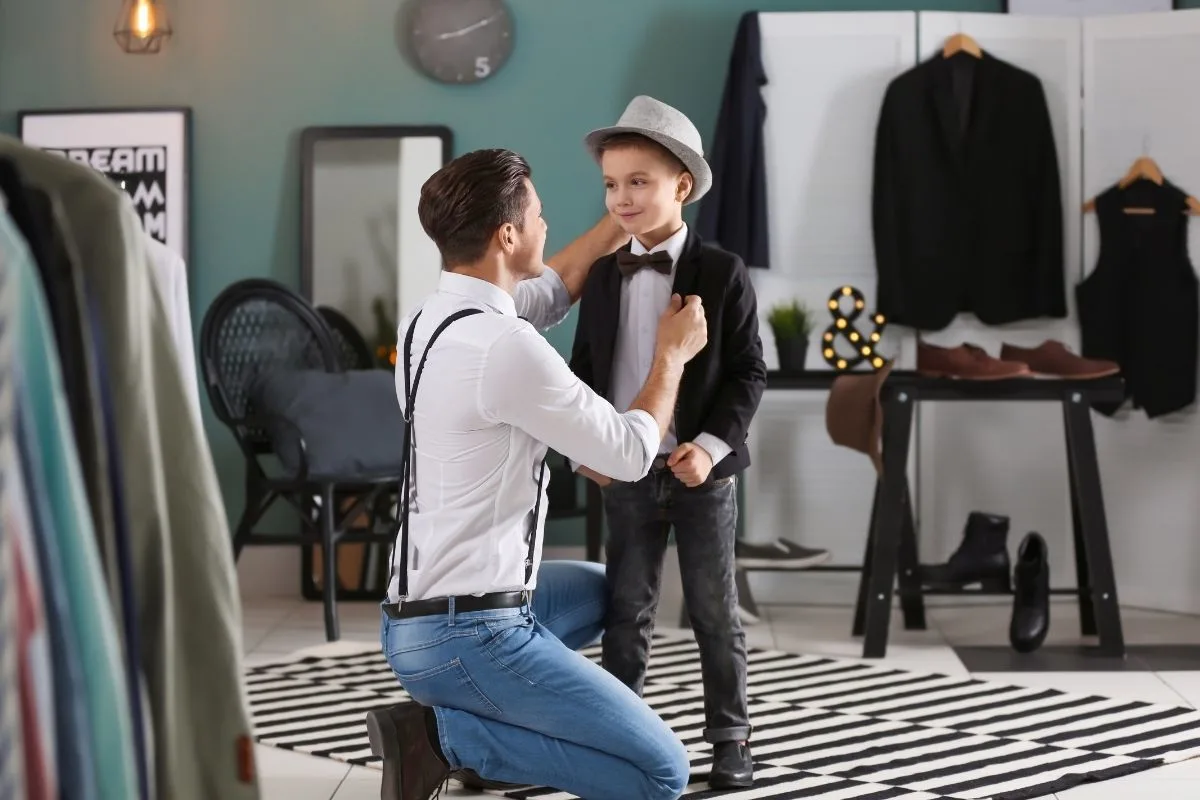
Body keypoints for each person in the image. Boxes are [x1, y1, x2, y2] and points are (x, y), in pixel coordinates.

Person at [365, 147, 710, 800]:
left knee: (618, 590)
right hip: (470, 633)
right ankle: (444, 740)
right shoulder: (506, 348)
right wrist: (671, 357)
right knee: (660, 771)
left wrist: (621, 218)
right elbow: (630, 454)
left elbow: (553, 287)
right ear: (508, 235)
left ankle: (479, 724)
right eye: (540, 215)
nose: (548, 226)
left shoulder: (426, 323)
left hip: (412, 619)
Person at [569, 95, 768, 790]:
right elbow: (583, 374)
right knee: (626, 611)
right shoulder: (600, 277)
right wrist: (581, 449)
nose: (621, 197)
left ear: (682, 185)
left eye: (638, 182)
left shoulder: (722, 272)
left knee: (715, 609)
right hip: (624, 469)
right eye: (611, 184)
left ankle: (731, 737)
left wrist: (711, 446)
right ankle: (619, 736)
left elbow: (749, 372)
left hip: (699, 473)